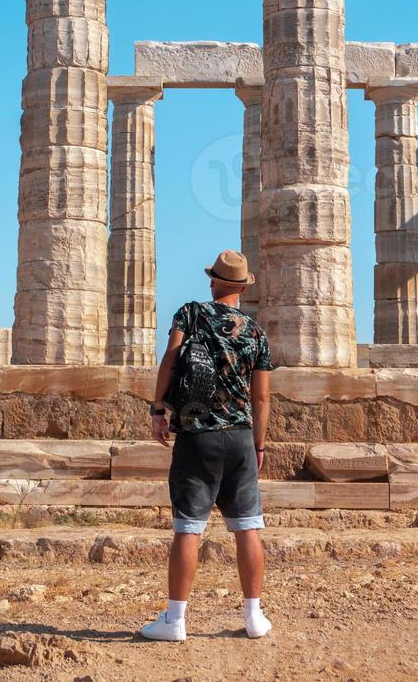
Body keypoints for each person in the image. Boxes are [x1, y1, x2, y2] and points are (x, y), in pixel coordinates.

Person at [139, 250, 274, 643]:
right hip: (240, 438)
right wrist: (259, 444)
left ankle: (175, 620)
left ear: (214, 281)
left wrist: (158, 407)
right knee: (247, 527)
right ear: (243, 287)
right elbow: (262, 398)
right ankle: (254, 617)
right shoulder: (255, 332)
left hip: (197, 435)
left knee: (189, 528)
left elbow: (170, 358)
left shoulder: (190, 313)